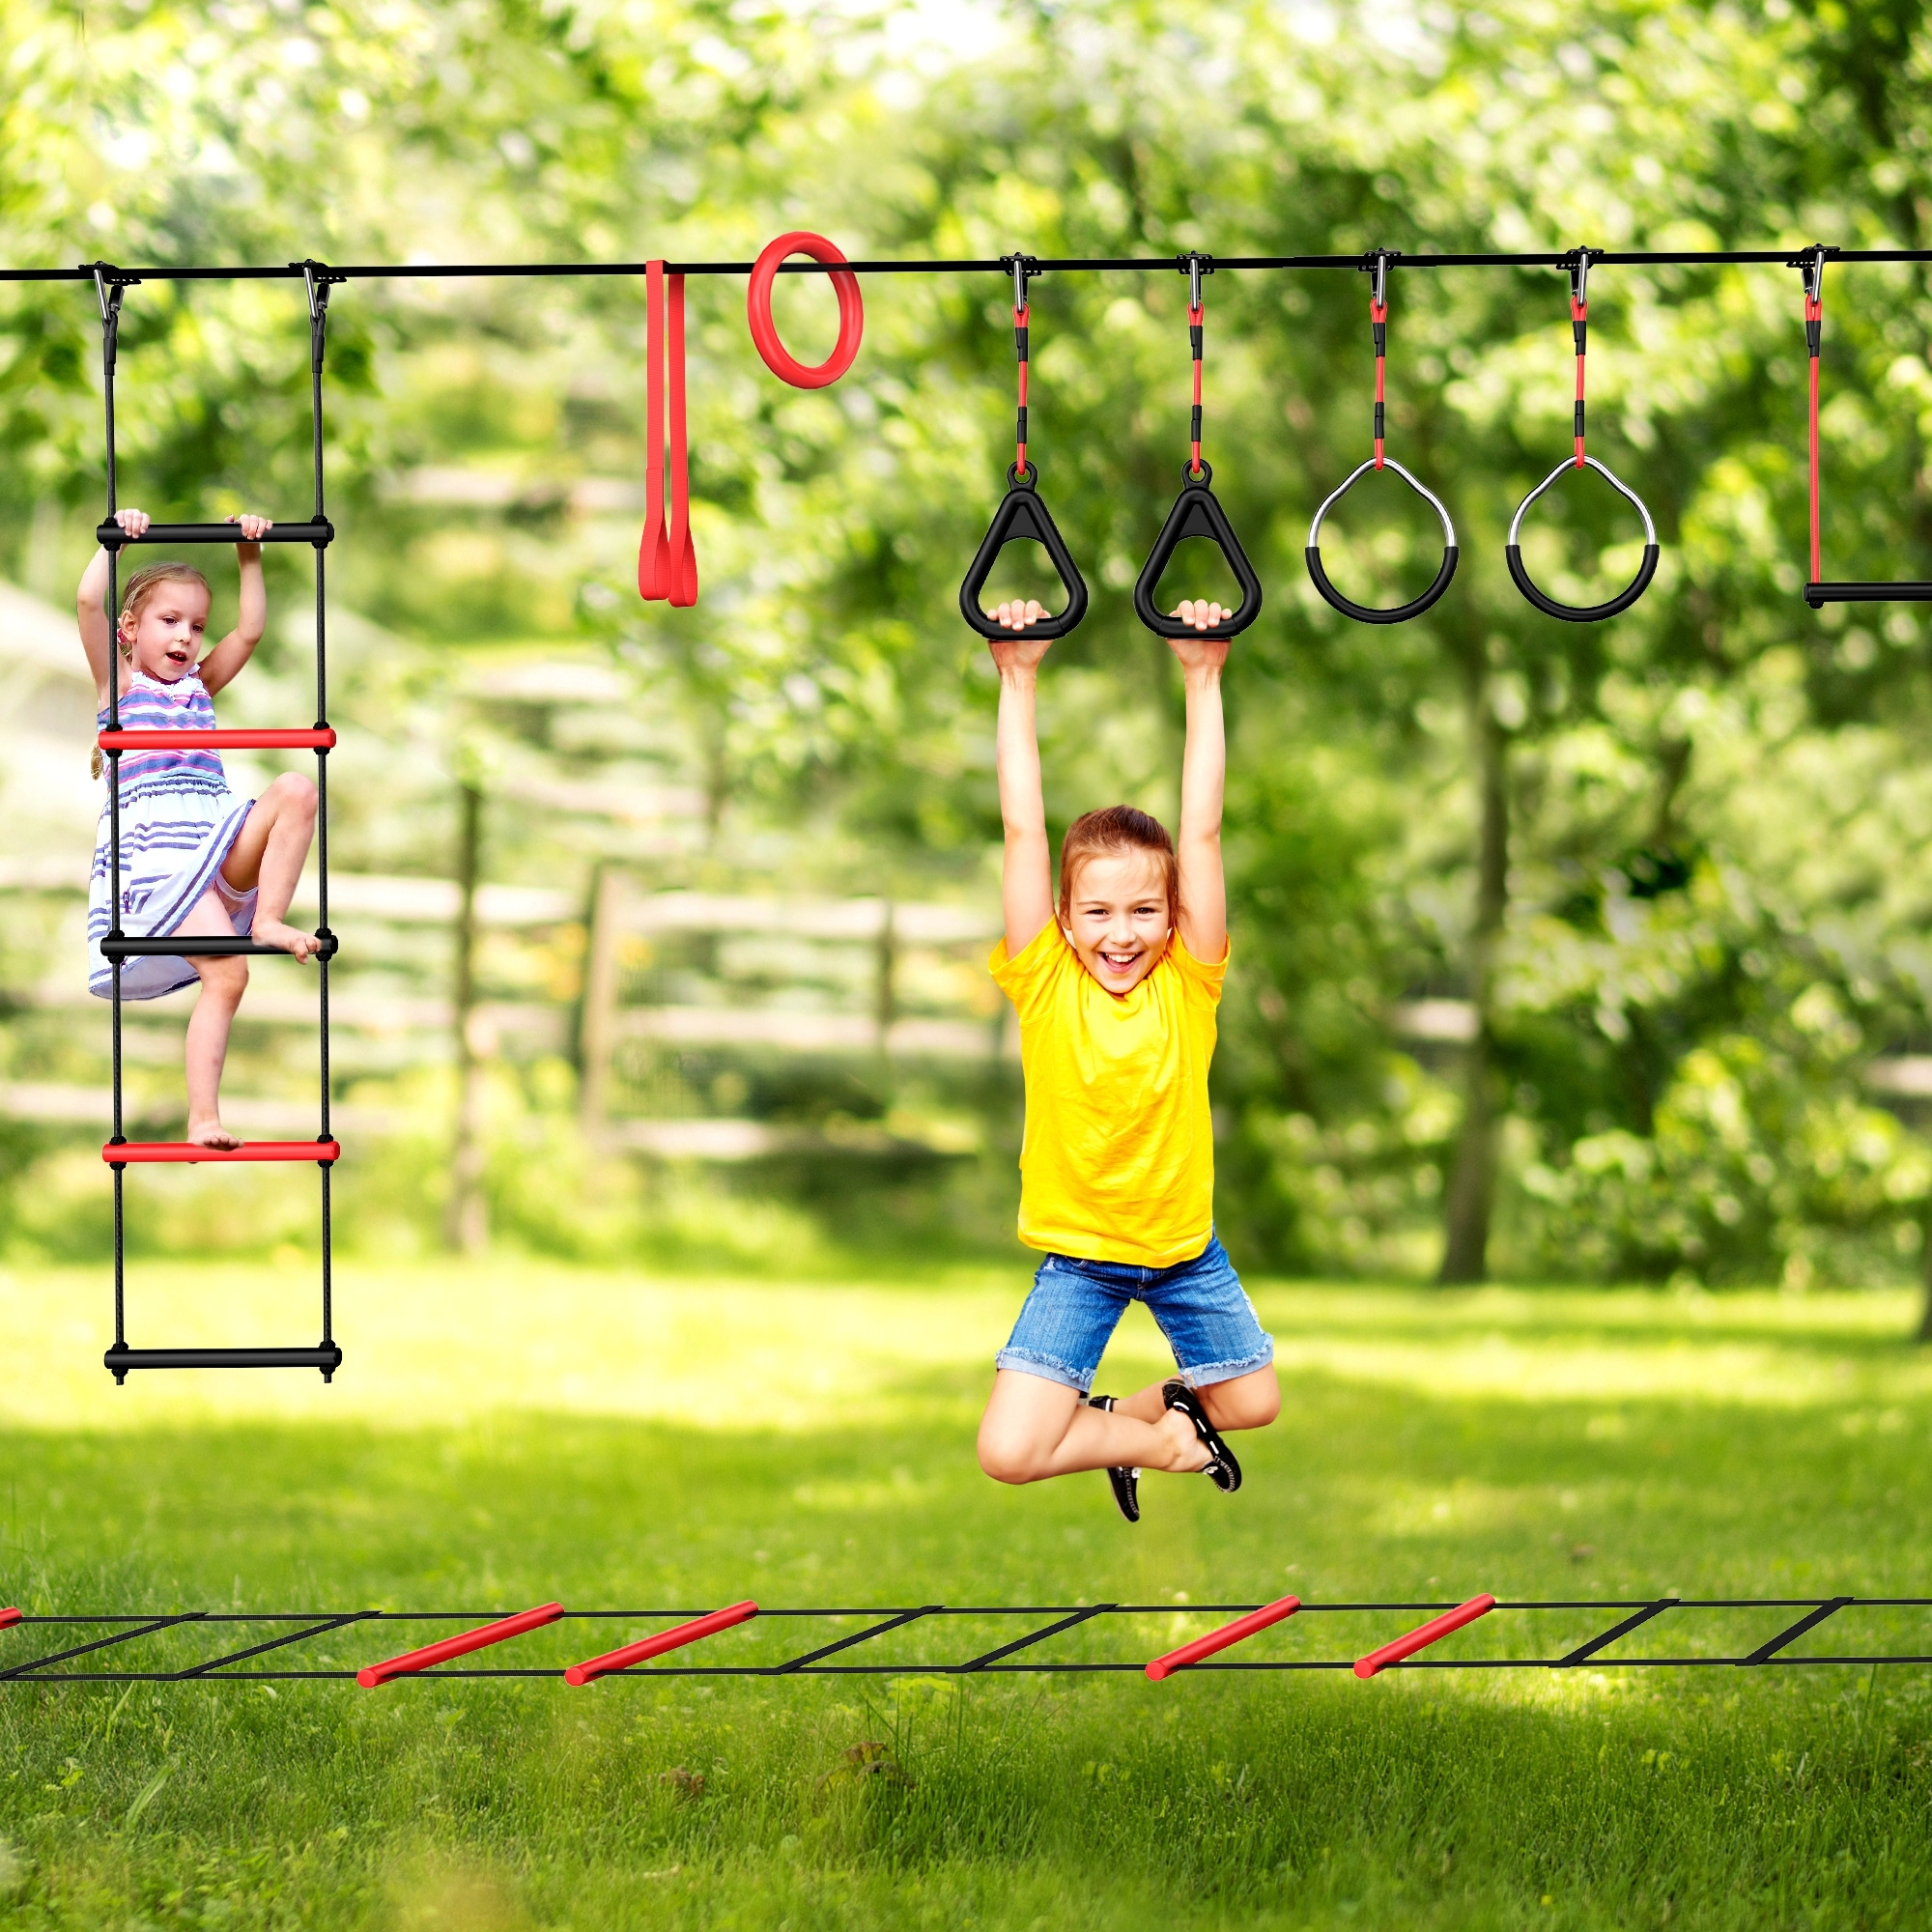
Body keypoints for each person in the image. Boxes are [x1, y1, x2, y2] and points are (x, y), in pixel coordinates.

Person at [975, 592, 1281, 1522]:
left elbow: (1203, 834)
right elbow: (1025, 831)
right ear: (1064, 921)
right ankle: (1152, 1441)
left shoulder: (1190, 982)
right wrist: (1016, 678)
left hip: (1185, 1253)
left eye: (1145, 911)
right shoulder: (1044, 979)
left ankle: (1132, 1424)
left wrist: (1204, 676)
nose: (1121, 934)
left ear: (1173, 916)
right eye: (1098, 914)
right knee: (1009, 1452)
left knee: (1254, 1401)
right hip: (1083, 1260)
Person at [79, 509, 321, 1151]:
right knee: (228, 976)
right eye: (169, 621)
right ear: (130, 629)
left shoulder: (199, 688)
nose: (185, 637)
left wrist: (250, 551)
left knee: (297, 789)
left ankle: (268, 917)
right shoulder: (120, 687)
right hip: (159, 867)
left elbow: (249, 631)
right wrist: (116, 539)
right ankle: (203, 1119)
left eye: (195, 626)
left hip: (212, 843)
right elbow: (86, 602)